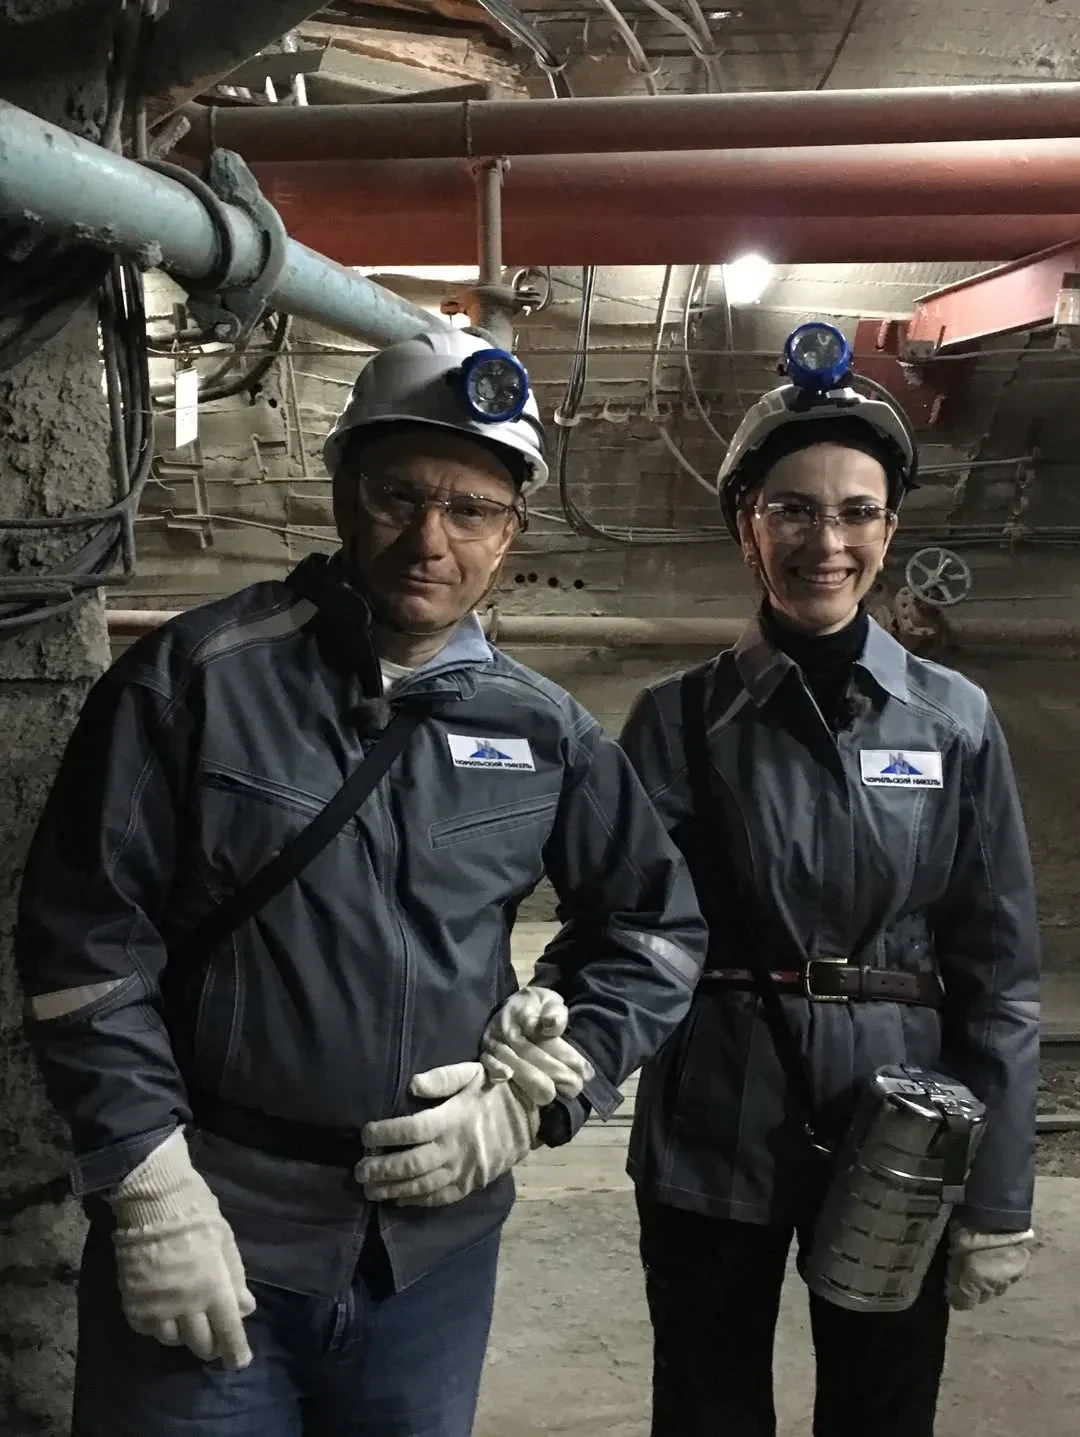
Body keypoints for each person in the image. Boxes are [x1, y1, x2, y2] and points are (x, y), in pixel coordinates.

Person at [15, 327, 707, 1437]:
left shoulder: (543, 730)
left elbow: (655, 928)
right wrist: (147, 1183)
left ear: (509, 535)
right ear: (342, 493)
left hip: (429, 1264)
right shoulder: (195, 684)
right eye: (400, 496)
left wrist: (538, 1092)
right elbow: (84, 940)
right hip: (220, 1233)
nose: (431, 540)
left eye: (471, 510)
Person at [615, 323, 1039, 1436]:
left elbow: (997, 973)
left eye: (857, 511)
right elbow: (625, 927)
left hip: (900, 1125)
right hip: (715, 1115)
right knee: (706, 1407)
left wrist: (998, 1191)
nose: (827, 540)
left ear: (890, 530)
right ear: (745, 524)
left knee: (881, 1409)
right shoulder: (677, 722)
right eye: (793, 509)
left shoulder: (952, 722)